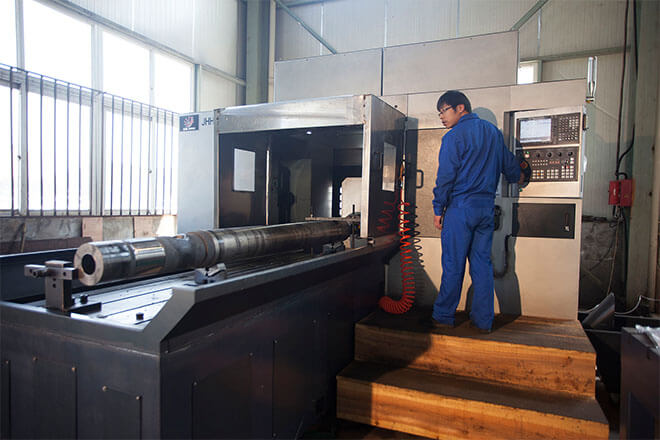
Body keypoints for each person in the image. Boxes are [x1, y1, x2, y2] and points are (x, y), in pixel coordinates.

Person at [431, 90, 523, 333]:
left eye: (444, 110)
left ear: (460, 108)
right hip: (485, 210)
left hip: (460, 209)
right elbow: (511, 167)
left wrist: (438, 208)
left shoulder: (453, 137)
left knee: (453, 264)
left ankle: (443, 316)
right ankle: (483, 322)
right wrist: (520, 174)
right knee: (482, 265)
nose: (441, 117)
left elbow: (445, 177)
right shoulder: (493, 133)